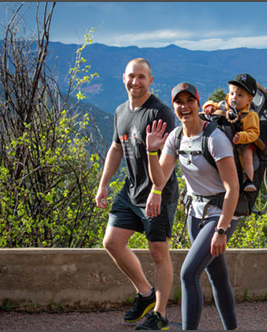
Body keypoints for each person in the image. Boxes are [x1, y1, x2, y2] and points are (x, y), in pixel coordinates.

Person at [146, 82, 239, 330]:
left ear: (198, 103)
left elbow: (233, 188)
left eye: (190, 101)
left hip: (220, 214)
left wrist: (221, 229)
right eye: (179, 102)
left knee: (188, 274)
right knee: (217, 277)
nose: (184, 107)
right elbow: (159, 180)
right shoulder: (176, 137)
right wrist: (151, 152)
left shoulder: (215, 139)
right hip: (194, 214)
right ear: (173, 106)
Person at [95, 58, 179, 330]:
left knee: (158, 252)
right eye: (132, 76)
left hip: (158, 192)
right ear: (123, 78)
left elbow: (169, 157)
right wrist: (103, 183)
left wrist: (157, 190)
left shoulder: (160, 112)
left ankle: (160, 314)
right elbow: (116, 149)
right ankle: (145, 293)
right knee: (112, 242)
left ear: (150, 81)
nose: (136, 81)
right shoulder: (121, 111)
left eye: (142, 77)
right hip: (131, 192)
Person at [202, 73, 263, 192]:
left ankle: (247, 179)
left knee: (247, 157)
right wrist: (209, 106)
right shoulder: (224, 106)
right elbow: (212, 104)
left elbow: (254, 133)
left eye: (240, 95)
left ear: (249, 100)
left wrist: (242, 136)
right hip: (226, 136)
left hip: (243, 142)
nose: (234, 98)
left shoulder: (250, 115)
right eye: (232, 94)